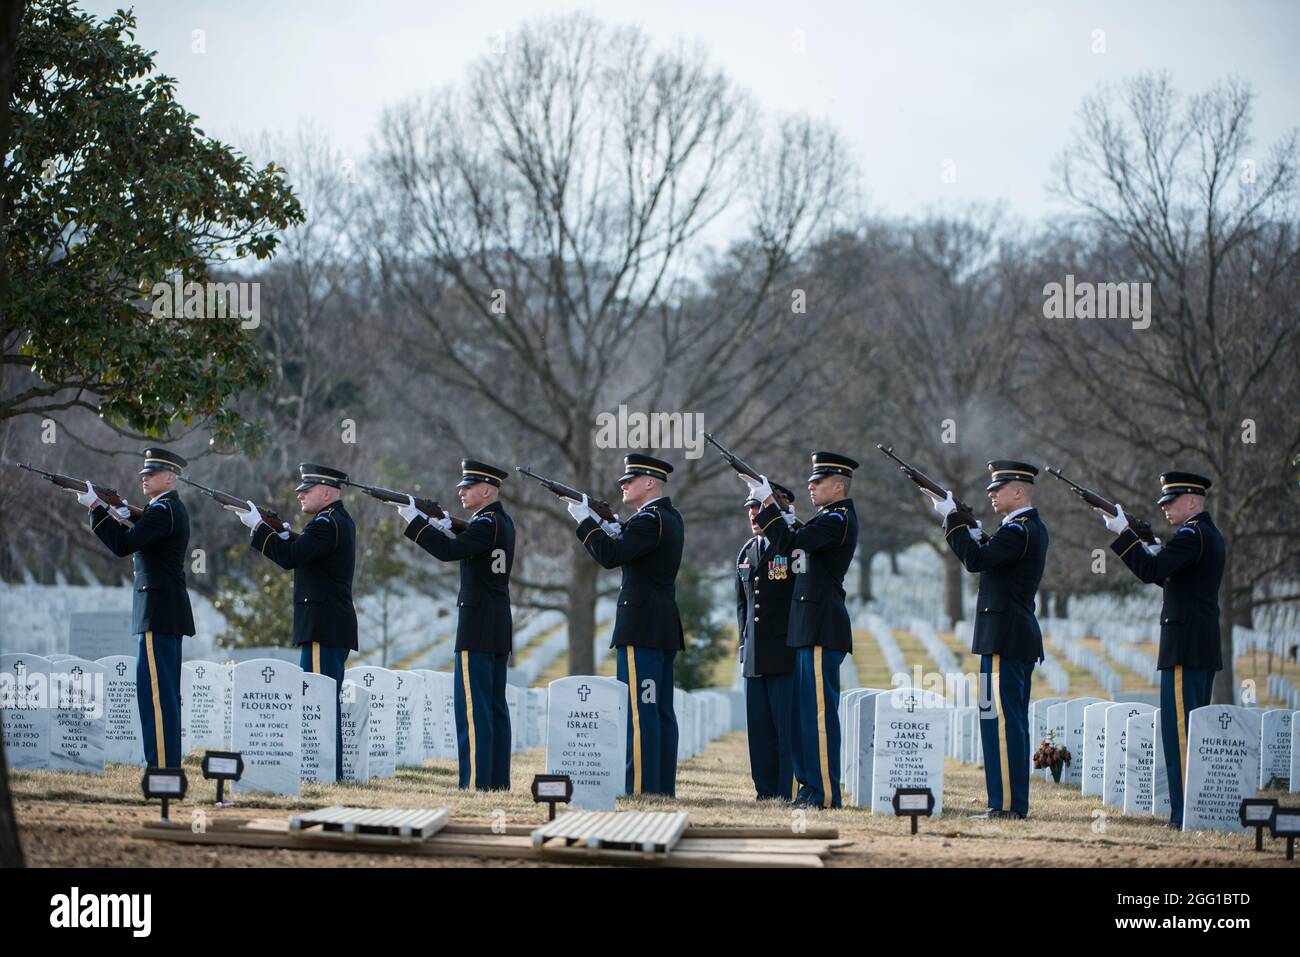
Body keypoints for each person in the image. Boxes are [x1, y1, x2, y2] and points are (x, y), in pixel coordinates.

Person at [1100, 470, 1224, 829]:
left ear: (1192, 501)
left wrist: (1125, 533)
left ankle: (1185, 814)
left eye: (1172, 501)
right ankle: (1190, 810)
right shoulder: (1204, 535)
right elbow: (1166, 573)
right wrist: (1151, 544)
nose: (1166, 507)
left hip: (1185, 648)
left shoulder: (1192, 535)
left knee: (1180, 733)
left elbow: (1150, 569)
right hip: (1198, 645)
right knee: (1189, 731)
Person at [928, 460, 1047, 820]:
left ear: (1020, 491)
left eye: (999, 488)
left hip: (1004, 641)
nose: (991, 493)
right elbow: (990, 553)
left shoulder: (1019, 530)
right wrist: (974, 529)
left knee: (1002, 723)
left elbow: (976, 560)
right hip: (1009, 638)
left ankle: (1008, 805)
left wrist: (951, 519)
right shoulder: (1020, 530)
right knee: (1003, 720)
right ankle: (1005, 802)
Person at [389, 459, 515, 791]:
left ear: (486, 490)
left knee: (473, 710)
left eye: (468, 487)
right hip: (497, 623)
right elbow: (467, 540)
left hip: (477, 624)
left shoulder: (486, 524)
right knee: (493, 708)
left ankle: (475, 783)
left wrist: (414, 520)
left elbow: (449, 551)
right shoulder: (500, 521)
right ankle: (495, 783)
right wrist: (446, 521)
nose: (461, 491)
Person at [744, 451, 859, 809]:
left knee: (820, 718)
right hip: (808, 629)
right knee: (807, 718)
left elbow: (791, 543)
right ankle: (810, 789)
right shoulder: (823, 520)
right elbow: (790, 539)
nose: (810, 486)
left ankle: (823, 793)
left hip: (822, 627)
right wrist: (772, 509)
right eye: (810, 481)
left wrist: (768, 503)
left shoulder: (837, 520)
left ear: (838, 485)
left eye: (818, 482)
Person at [567, 453, 684, 797]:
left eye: (630, 480)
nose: (623, 484)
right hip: (661, 626)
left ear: (650, 483)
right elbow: (630, 548)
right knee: (659, 711)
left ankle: (641, 786)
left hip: (642, 627)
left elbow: (611, 556)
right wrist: (613, 526)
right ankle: (660, 786)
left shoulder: (650, 519)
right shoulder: (669, 517)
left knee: (639, 711)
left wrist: (584, 521)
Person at [74, 448, 195, 768]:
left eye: (151, 473)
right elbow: (141, 532)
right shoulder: (165, 509)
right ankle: (164, 762)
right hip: (163, 611)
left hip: (158, 612)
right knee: (161, 692)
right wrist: (122, 511)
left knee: (155, 693)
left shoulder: (164, 509)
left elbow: (123, 545)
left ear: (170, 478)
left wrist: (97, 508)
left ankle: (162, 766)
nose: (144, 477)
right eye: (143, 473)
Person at [237, 462, 356, 781]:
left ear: (328, 492)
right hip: (329, 625)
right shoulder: (333, 522)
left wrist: (258, 528)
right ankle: (328, 771)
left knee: (317, 701)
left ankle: (323, 772)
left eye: (308, 489)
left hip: (323, 626)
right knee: (321, 701)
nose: (300, 494)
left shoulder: (326, 524)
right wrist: (283, 533)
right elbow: (303, 550)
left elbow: (290, 558)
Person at [735, 481, 799, 801]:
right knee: (759, 730)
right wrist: (743, 645)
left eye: (759, 505)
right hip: (755, 654)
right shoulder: (747, 551)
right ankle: (765, 790)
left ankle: (786, 789)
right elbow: (742, 606)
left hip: (785, 652)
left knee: (785, 728)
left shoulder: (792, 543)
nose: (752, 513)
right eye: (750, 507)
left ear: (780, 505)